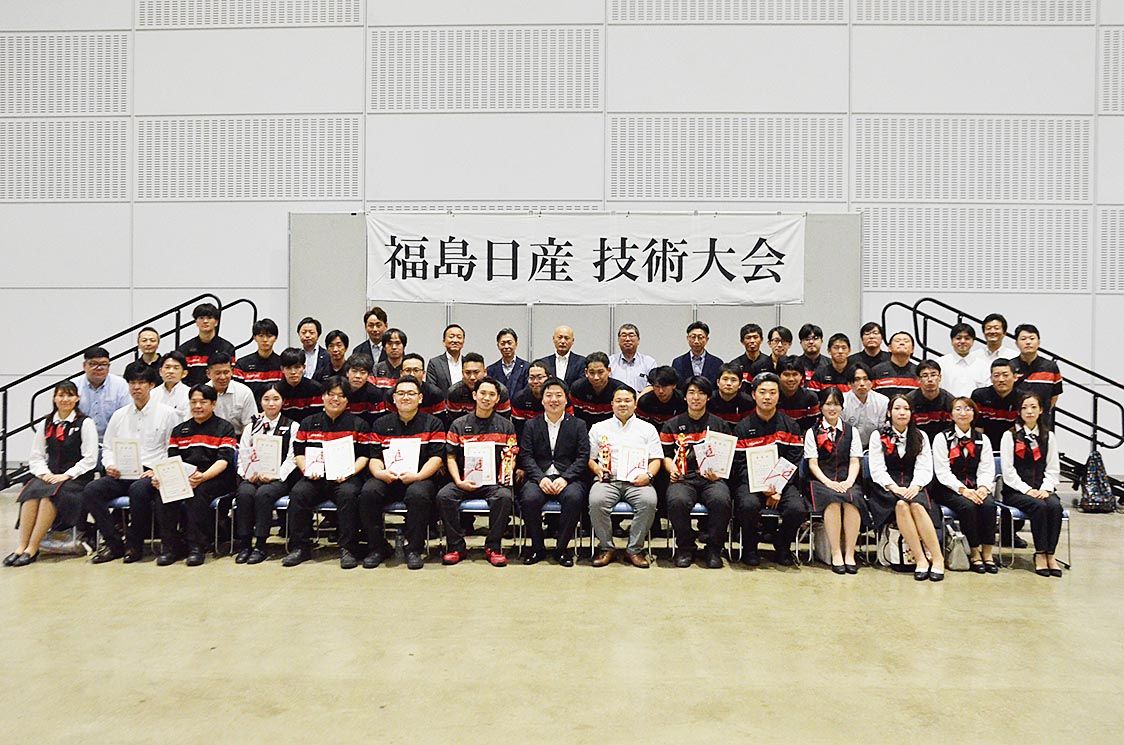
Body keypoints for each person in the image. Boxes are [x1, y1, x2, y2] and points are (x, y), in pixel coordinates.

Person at [85, 363, 178, 564]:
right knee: (92, 490)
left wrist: (157, 470)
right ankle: (114, 543)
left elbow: (172, 449)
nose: (136, 387)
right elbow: (108, 446)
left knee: (138, 490)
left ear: (151, 385)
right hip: (122, 472)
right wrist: (110, 464)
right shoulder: (120, 415)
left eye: (141, 383)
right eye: (132, 383)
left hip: (150, 473)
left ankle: (134, 545)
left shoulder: (167, 414)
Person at [5, 381, 97, 567]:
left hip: (76, 479)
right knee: (31, 492)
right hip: (50, 476)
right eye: (61, 395)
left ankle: (32, 547)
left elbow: (90, 458)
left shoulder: (85, 423)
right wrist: (44, 474)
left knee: (49, 496)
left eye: (70, 395)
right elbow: (36, 456)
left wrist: (67, 475)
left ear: (77, 398)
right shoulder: (46, 423)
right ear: (54, 398)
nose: (65, 399)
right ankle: (21, 546)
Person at [358, 375, 446, 571]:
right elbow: (374, 458)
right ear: (394, 398)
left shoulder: (433, 424)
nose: (406, 397)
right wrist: (380, 473)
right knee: (368, 492)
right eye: (401, 393)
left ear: (420, 398)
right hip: (388, 478)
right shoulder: (380, 424)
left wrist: (418, 476)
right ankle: (377, 548)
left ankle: (414, 549)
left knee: (418, 494)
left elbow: (437, 458)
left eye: (411, 393)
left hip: (420, 478)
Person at [282, 377, 370, 569]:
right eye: (331, 394)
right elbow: (298, 453)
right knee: (298, 493)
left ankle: (348, 548)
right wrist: (306, 469)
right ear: (323, 396)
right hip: (315, 477)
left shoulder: (359, 424)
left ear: (347, 400)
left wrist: (349, 472)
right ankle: (300, 547)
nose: (335, 399)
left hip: (345, 477)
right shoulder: (308, 423)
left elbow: (364, 456)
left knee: (348, 494)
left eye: (341, 396)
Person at [153, 384, 238, 567]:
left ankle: (197, 548)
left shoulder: (225, 428)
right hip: (185, 477)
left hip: (215, 478)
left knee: (198, 494)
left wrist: (203, 476)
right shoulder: (179, 430)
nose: (197, 406)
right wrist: (164, 478)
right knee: (164, 494)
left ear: (213, 404)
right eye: (193, 402)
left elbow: (224, 461)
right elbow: (172, 461)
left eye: (203, 402)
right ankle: (170, 547)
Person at [437, 377, 517, 567]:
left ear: (497, 399)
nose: (486, 398)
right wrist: (458, 481)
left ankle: (493, 547)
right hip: (464, 480)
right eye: (482, 393)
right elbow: (450, 457)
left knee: (505, 497)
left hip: (493, 482)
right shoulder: (458, 424)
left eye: (491, 394)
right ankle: (456, 547)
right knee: (444, 496)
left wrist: (505, 475)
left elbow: (511, 456)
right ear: (474, 395)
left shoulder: (506, 426)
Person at [730, 373, 806, 567]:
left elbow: (794, 461)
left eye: (772, 392)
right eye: (762, 392)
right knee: (748, 505)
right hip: (751, 483)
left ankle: (782, 545)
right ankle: (750, 547)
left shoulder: (791, 426)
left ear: (779, 396)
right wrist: (762, 486)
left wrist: (777, 488)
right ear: (753, 394)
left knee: (797, 509)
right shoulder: (742, 428)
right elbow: (739, 465)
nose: (767, 397)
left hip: (783, 484)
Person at [866, 394, 944, 581]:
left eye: (906, 409)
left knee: (916, 505)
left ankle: (938, 558)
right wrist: (894, 487)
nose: (902, 412)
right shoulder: (878, 435)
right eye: (897, 408)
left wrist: (916, 486)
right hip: (887, 488)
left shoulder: (920, 436)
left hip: (914, 484)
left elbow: (925, 467)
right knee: (901, 505)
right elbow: (877, 469)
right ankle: (920, 559)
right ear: (889, 413)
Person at [517, 377, 590, 566]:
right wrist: (540, 478)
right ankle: (537, 548)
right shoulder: (531, 425)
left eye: (559, 395)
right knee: (529, 498)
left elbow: (582, 457)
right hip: (539, 477)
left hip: (568, 478)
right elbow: (526, 456)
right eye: (549, 395)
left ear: (566, 399)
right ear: (542, 400)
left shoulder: (578, 425)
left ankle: (562, 549)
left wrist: (565, 478)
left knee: (574, 497)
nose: (554, 400)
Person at [587, 386, 662, 568]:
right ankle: (607, 547)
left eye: (627, 400)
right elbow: (590, 458)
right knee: (596, 501)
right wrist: (597, 470)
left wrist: (648, 475)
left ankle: (634, 549)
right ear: (612, 404)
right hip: (608, 480)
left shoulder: (647, 429)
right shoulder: (599, 428)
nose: (623, 404)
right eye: (618, 401)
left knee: (649, 501)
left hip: (638, 482)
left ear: (635, 404)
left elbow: (656, 459)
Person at [662, 376, 733, 569]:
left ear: (708, 397)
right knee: (677, 501)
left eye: (701, 393)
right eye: (691, 392)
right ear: (685, 396)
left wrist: (719, 473)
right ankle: (686, 548)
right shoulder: (672, 425)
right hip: (684, 479)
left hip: (712, 479)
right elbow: (665, 455)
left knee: (721, 500)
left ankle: (713, 549)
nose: (696, 397)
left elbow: (728, 456)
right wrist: (672, 468)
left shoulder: (720, 425)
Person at [232, 385, 300, 565]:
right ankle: (245, 544)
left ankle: (261, 545)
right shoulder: (251, 427)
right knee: (244, 493)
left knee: (264, 494)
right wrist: (247, 473)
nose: (271, 404)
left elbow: (292, 458)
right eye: (266, 399)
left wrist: (275, 475)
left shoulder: (293, 426)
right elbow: (243, 454)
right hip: (252, 476)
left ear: (283, 401)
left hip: (278, 479)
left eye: (276, 399)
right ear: (260, 402)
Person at [999, 392, 1064, 577]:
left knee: (1055, 506)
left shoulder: (1048, 436)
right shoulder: (1009, 436)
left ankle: (1050, 553)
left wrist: (1045, 489)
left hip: (1042, 489)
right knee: (1039, 506)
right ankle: (1040, 553)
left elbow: (1053, 467)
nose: (1029, 411)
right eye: (1025, 407)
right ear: (1019, 412)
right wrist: (1027, 490)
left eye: (1033, 407)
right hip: (1016, 491)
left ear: (1041, 410)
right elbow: (1008, 471)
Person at [931, 397, 997, 573]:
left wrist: (983, 488)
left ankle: (988, 552)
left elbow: (986, 468)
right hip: (949, 488)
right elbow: (942, 472)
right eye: (958, 409)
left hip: (976, 485)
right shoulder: (942, 438)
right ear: (951, 415)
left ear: (974, 414)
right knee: (968, 506)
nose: (963, 413)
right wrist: (963, 490)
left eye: (968, 409)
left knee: (989, 505)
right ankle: (974, 552)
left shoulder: (982, 439)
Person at [804, 386, 865, 574]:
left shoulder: (852, 431)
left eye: (836, 404)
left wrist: (849, 481)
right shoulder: (812, 432)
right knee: (832, 500)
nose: (832, 408)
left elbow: (855, 461)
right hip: (821, 481)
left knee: (852, 499)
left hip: (847, 479)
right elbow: (812, 464)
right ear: (821, 407)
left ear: (842, 407)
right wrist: (828, 483)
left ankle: (850, 554)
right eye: (828, 404)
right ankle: (836, 553)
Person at [75, 346, 130, 441]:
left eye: (104, 364)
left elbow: (127, 415)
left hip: (113, 439)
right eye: (93, 364)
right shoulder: (75, 385)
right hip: (80, 440)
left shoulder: (120, 385)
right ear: (84, 365)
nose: (99, 368)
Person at [1009, 324, 1063, 419]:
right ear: (1016, 343)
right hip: (1015, 419)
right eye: (1023, 339)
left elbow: (1055, 395)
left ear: (1038, 342)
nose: (1028, 342)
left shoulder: (1051, 367)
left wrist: (1042, 412)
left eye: (1032, 338)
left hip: (1042, 419)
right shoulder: (1010, 366)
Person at [177, 303, 236, 386]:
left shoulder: (227, 347)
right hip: (192, 392)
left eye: (209, 318)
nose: (205, 321)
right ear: (196, 322)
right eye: (201, 318)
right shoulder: (184, 349)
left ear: (216, 322)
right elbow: (181, 376)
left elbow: (229, 375)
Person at [445, 352, 511, 425]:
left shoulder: (500, 391)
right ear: (462, 373)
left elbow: (504, 424)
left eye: (476, 372)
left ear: (485, 372)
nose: (472, 377)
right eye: (467, 372)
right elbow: (453, 424)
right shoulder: (454, 392)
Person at [971, 358, 1022, 449]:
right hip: (986, 447)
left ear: (1015, 377)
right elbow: (977, 428)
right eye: (996, 375)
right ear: (991, 378)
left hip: (1015, 446)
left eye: (1005, 375)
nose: (1001, 379)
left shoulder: (1023, 399)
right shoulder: (979, 396)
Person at [569, 351, 627, 428]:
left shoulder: (620, 391)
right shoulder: (577, 388)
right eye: (592, 372)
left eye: (600, 372)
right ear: (586, 372)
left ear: (608, 370)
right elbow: (574, 418)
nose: (596, 377)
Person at [207, 352, 257, 436]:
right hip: (209, 439)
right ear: (208, 374)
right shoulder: (201, 394)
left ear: (232, 371)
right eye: (218, 373)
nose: (223, 377)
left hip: (237, 438)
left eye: (226, 372)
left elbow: (249, 425)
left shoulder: (244, 392)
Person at [233, 319, 282, 404]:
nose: (265, 340)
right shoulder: (242, 364)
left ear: (275, 338)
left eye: (269, 336)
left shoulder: (282, 364)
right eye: (261, 335)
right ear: (254, 338)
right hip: (249, 409)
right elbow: (237, 393)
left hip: (275, 409)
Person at [841, 363, 889, 448]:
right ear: (849, 384)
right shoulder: (842, 401)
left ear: (872, 383)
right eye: (857, 379)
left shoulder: (882, 401)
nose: (862, 383)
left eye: (865, 379)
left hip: (874, 447)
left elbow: (881, 431)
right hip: (846, 446)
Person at [937, 323, 988, 397]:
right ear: (952, 341)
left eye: (967, 338)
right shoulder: (940, 363)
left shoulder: (983, 365)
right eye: (958, 338)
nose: (963, 341)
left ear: (973, 341)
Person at [907, 360, 954, 440]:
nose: (930, 379)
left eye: (933, 375)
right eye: (925, 376)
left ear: (940, 377)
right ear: (918, 379)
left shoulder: (950, 401)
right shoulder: (909, 401)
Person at [395, 353, 448, 422]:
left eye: (416, 370)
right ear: (401, 373)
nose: (412, 374)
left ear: (423, 373)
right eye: (407, 370)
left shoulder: (435, 394)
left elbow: (440, 423)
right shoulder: (392, 394)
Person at [277, 347, 324, 423]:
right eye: (288, 368)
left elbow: (317, 417)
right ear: (282, 369)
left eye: (297, 367)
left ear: (304, 367)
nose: (293, 372)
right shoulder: (277, 390)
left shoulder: (316, 389)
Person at [607, 323, 657, 393]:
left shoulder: (649, 362)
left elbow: (653, 385)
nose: (627, 339)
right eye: (624, 335)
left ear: (638, 340)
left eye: (631, 335)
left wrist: (639, 398)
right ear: (618, 340)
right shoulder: (610, 362)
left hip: (641, 399)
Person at [671, 321, 722, 387]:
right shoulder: (678, 362)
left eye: (700, 337)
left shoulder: (717, 363)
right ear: (687, 338)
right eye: (693, 337)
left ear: (707, 339)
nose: (696, 341)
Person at [776, 357, 820, 432]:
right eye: (786, 375)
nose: (791, 379)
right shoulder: (773, 397)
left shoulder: (811, 398)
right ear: (778, 376)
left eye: (795, 374)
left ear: (801, 376)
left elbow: (814, 428)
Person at [871, 331, 920, 397]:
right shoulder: (876, 370)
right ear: (889, 348)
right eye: (897, 341)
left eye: (906, 341)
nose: (902, 343)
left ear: (912, 349)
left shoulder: (918, 372)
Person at [342, 353, 386, 427]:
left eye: (363, 373)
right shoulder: (339, 390)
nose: (358, 376)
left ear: (368, 376)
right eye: (354, 371)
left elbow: (377, 422)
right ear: (347, 373)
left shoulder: (375, 394)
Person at [510, 361, 550, 438]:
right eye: (531, 378)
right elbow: (519, 431)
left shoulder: (558, 398)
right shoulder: (519, 399)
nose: (535, 381)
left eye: (540, 377)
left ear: (549, 377)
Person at [486, 327, 529, 396]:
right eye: (503, 343)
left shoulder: (527, 367)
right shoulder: (491, 370)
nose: (506, 346)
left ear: (516, 344)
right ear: (498, 345)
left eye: (509, 343)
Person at [425, 323, 466, 392]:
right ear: (444, 342)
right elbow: (431, 389)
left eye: (459, 337)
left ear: (463, 342)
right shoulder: (435, 363)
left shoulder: (467, 362)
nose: (455, 340)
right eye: (451, 337)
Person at [151, 351, 190, 418]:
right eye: (167, 367)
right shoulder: (152, 394)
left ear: (184, 373)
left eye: (176, 368)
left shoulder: (189, 394)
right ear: (160, 372)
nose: (170, 371)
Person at [296, 316, 330, 382]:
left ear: (318, 335)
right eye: (303, 332)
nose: (307, 335)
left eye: (311, 332)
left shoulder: (327, 355)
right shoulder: (296, 355)